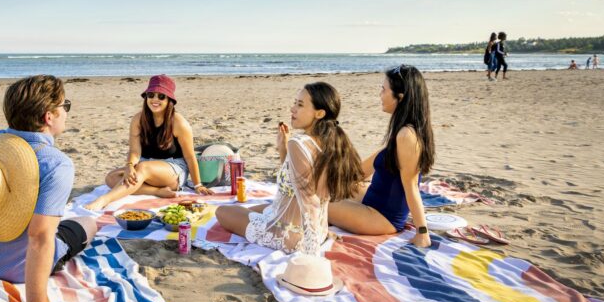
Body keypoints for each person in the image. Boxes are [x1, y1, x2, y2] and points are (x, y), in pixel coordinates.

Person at [0, 75, 97, 302]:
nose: (66, 112)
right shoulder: (57, 164)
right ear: (48, 117)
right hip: (14, 269)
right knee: (88, 224)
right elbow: (39, 237)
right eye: (65, 106)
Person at [215, 83, 363, 254]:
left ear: (319, 113)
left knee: (222, 211)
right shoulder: (333, 143)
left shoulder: (299, 143)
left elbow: (310, 202)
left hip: (289, 236)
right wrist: (283, 148)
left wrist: (311, 253)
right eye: (295, 103)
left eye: (300, 105)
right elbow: (300, 180)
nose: (293, 109)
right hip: (315, 230)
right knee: (258, 208)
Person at [326, 65, 436, 248]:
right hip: (374, 203)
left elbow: (411, 186)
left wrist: (422, 232)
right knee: (330, 189)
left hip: (381, 218)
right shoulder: (403, 131)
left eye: (384, 90)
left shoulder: (406, 136)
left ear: (400, 98)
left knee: (315, 203)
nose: (380, 94)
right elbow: (360, 172)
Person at [84, 74, 212, 211]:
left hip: (173, 169)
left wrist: (198, 185)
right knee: (111, 178)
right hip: (145, 164)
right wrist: (129, 166)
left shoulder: (178, 122)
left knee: (143, 167)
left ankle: (104, 200)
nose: (155, 99)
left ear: (169, 100)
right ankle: (156, 191)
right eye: (151, 95)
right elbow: (134, 151)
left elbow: (190, 156)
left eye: (161, 96)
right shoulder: (138, 119)